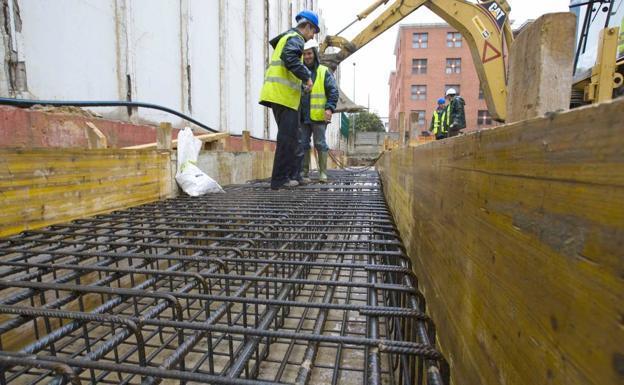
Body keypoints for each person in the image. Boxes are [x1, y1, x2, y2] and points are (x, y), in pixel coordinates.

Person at [259, 10, 319, 190]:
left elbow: (288, 66)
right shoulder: (296, 38)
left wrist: (301, 85)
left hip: (283, 96)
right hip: (282, 96)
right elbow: (290, 58)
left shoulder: (289, 38)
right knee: (287, 138)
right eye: (313, 31)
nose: (312, 35)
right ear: (307, 26)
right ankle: (279, 180)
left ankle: (293, 175)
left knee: (293, 138)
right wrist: (307, 76)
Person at [297, 39, 339, 184]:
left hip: (318, 116)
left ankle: (322, 172)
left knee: (320, 143)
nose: (307, 57)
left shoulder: (323, 71)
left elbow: (333, 91)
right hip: (303, 116)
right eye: (304, 54)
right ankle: (304, 172)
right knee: (303, 143)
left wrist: (329, 108)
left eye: (309, 53)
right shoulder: (299, 72)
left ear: (314, 54)